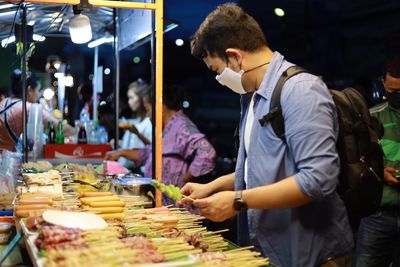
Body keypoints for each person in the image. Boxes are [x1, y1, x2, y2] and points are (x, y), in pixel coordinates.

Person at [179, 3, 353, 267]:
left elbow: (317, 180)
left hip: (310, 254)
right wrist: (211, 187)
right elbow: (260, 167)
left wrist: (238, 201)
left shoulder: (301, 91)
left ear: (235, 56)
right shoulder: (252, 99)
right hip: (269, 250)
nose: (219, 80)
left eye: (217, 71)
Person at [105, 84, 217, 204]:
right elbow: (150, 153)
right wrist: (121, 153)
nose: (148, 115)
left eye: (148, 109)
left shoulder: (182, 126)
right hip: (163, 202)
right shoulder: (168, 128)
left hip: (177, 205)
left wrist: (183, 180)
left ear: (160, 106)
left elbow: (207, 153)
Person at [353, 57, 400, 267]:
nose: (397, 96)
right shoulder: (372, 119)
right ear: (383, 84)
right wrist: (380, 173)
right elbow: (354, 164)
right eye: (392, 91)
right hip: (378, 214)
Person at [0, 70, 73, 152]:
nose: (39, 95)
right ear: (30, 90)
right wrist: (77, 129)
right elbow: (65, 129)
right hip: (9, 161)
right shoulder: (28, 108)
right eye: (38, 90)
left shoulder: (4, 102)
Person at [118, 79, 152, 169]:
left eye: (132, 97)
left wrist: (137, 133)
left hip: (141, 170)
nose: (129, 101)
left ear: (141, 99)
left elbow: (152, 149)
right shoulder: (136, 121)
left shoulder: (149, 123)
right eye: (128, 98)